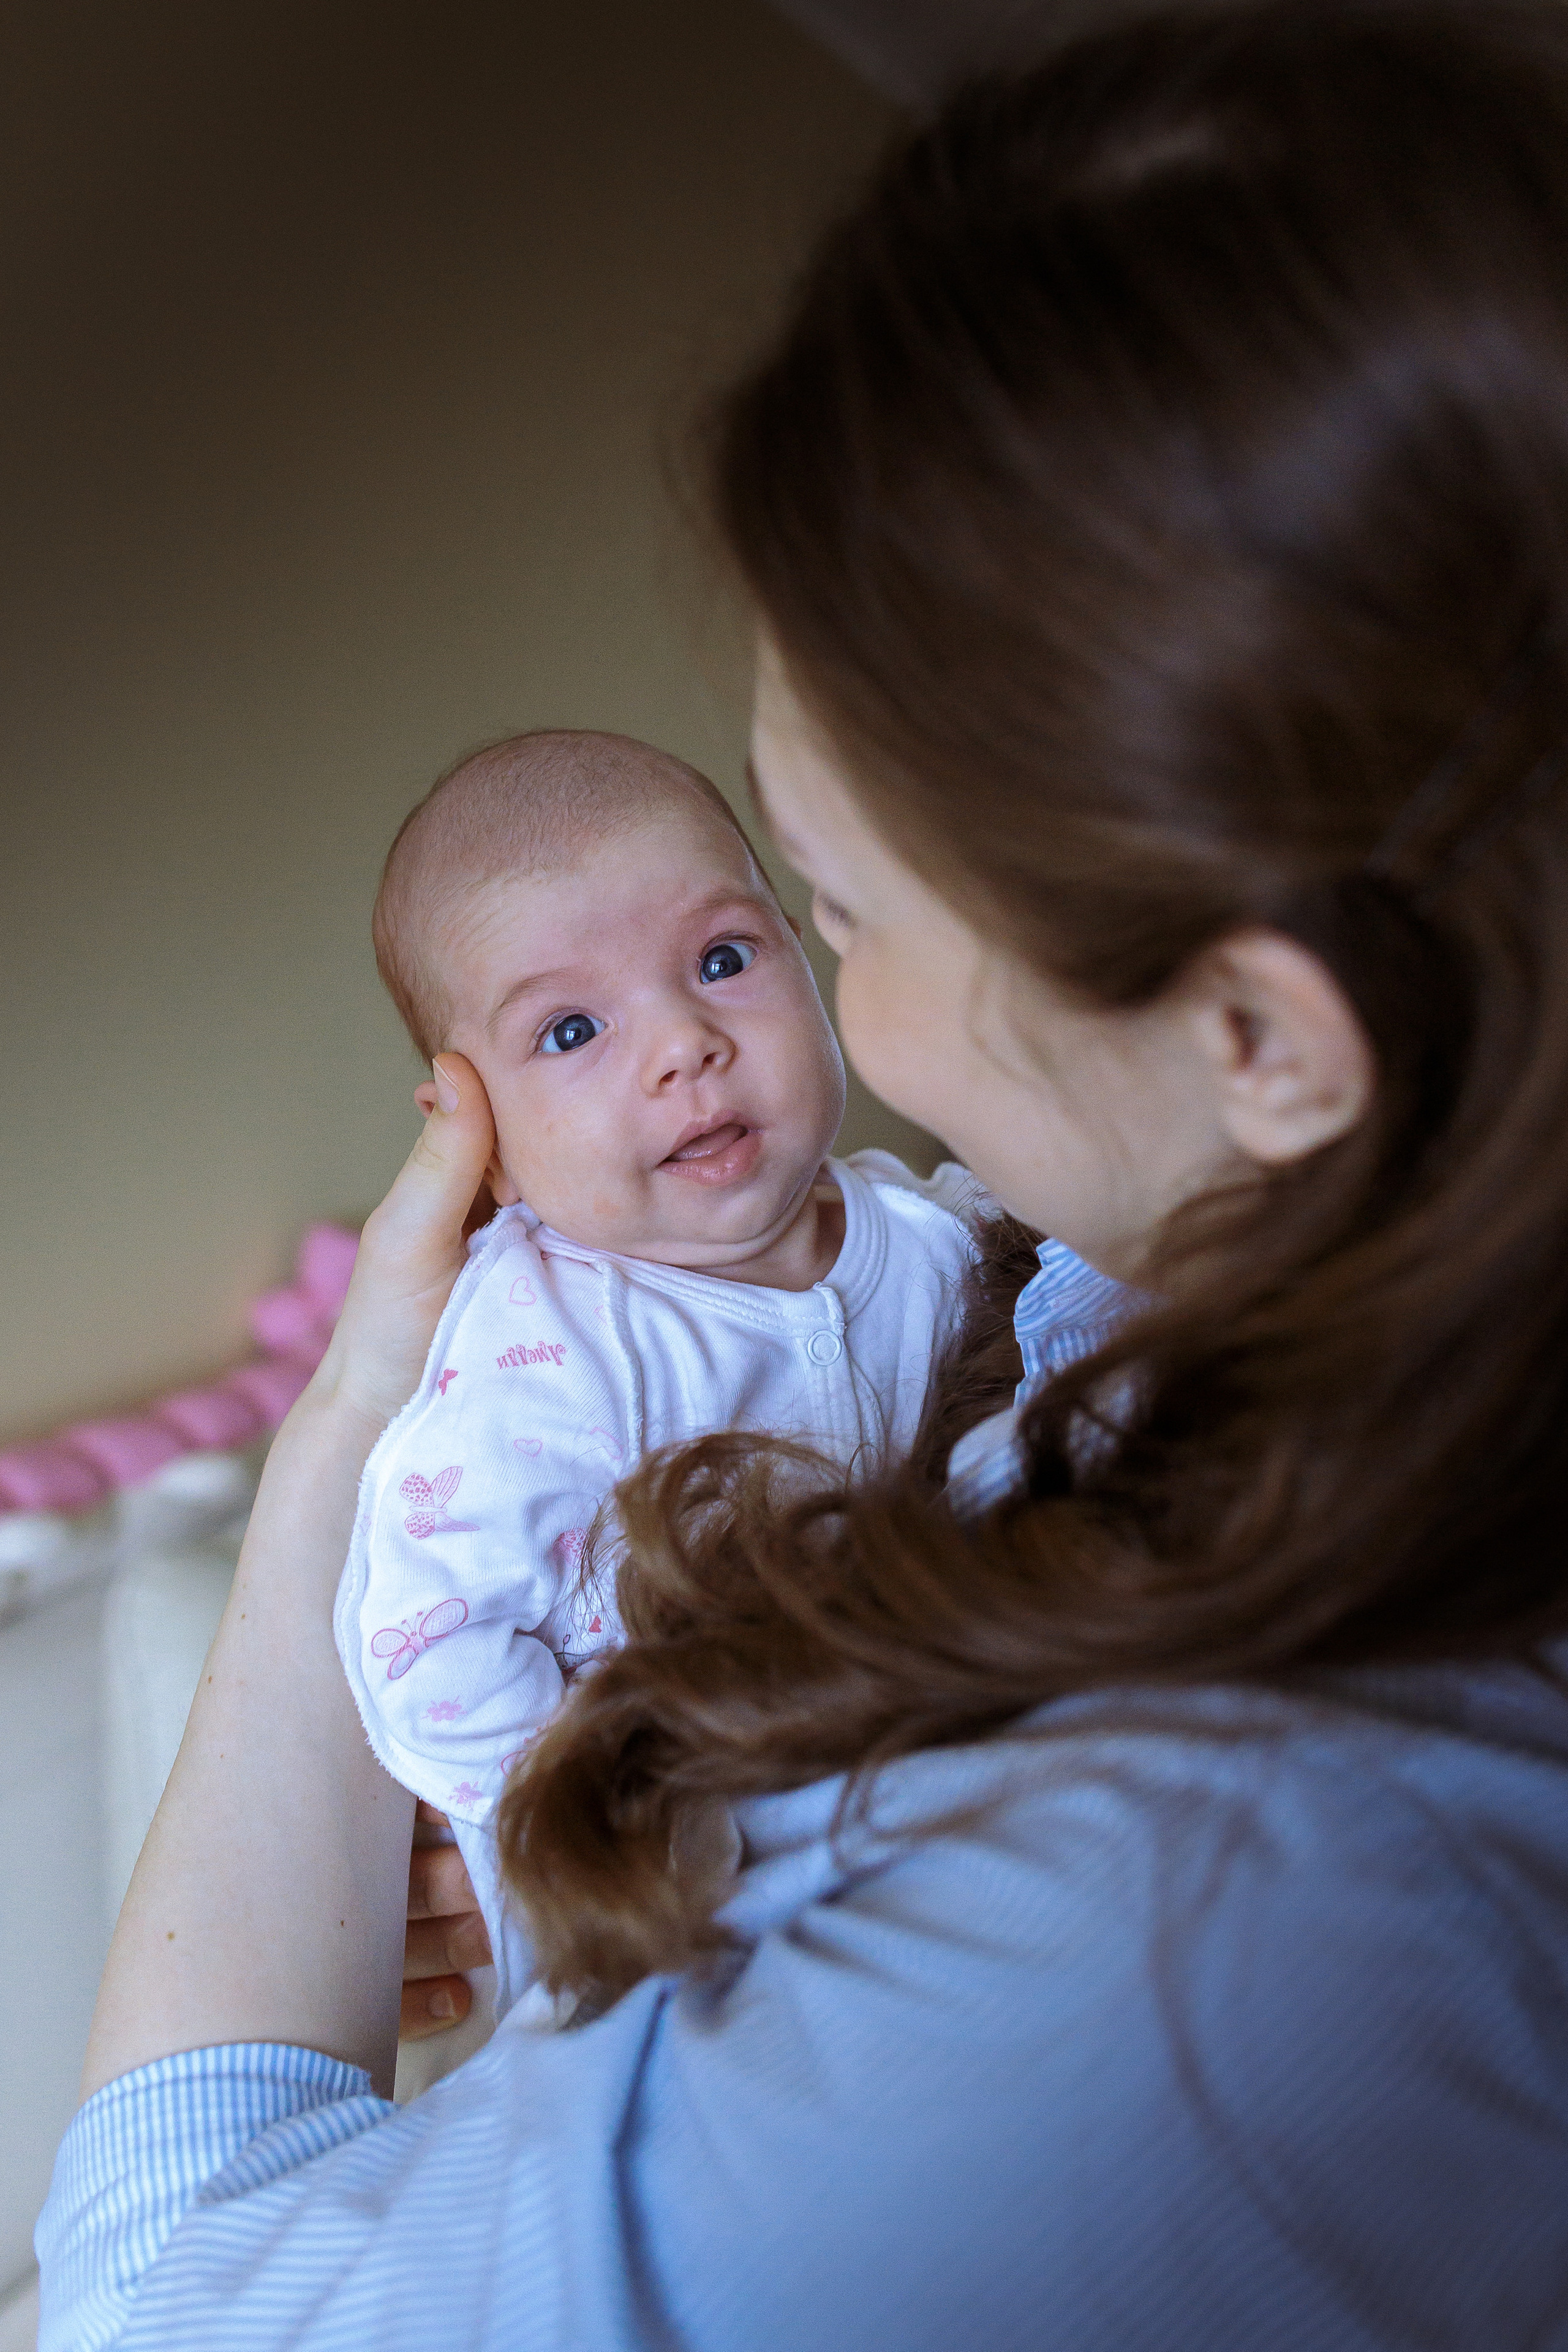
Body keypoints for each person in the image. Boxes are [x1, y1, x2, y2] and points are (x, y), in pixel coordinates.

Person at [37, 4, 1568, 2344]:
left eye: (810, 925)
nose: (733, 1041)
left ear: (1266, 1042)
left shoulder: (1182, 1952)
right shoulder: (1144, 1318)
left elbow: (153, 2299)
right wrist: (553, 1723)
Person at [342, 726, 986, 2017]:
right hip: (680, 1936)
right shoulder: (540, 1352)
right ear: (480, 1139)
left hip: (952, 1826)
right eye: (572, 1029)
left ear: (806, 955)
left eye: (723, 960)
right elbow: (427, 1638)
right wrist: (619, 1843)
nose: (684, 1042)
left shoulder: (939, 1234)